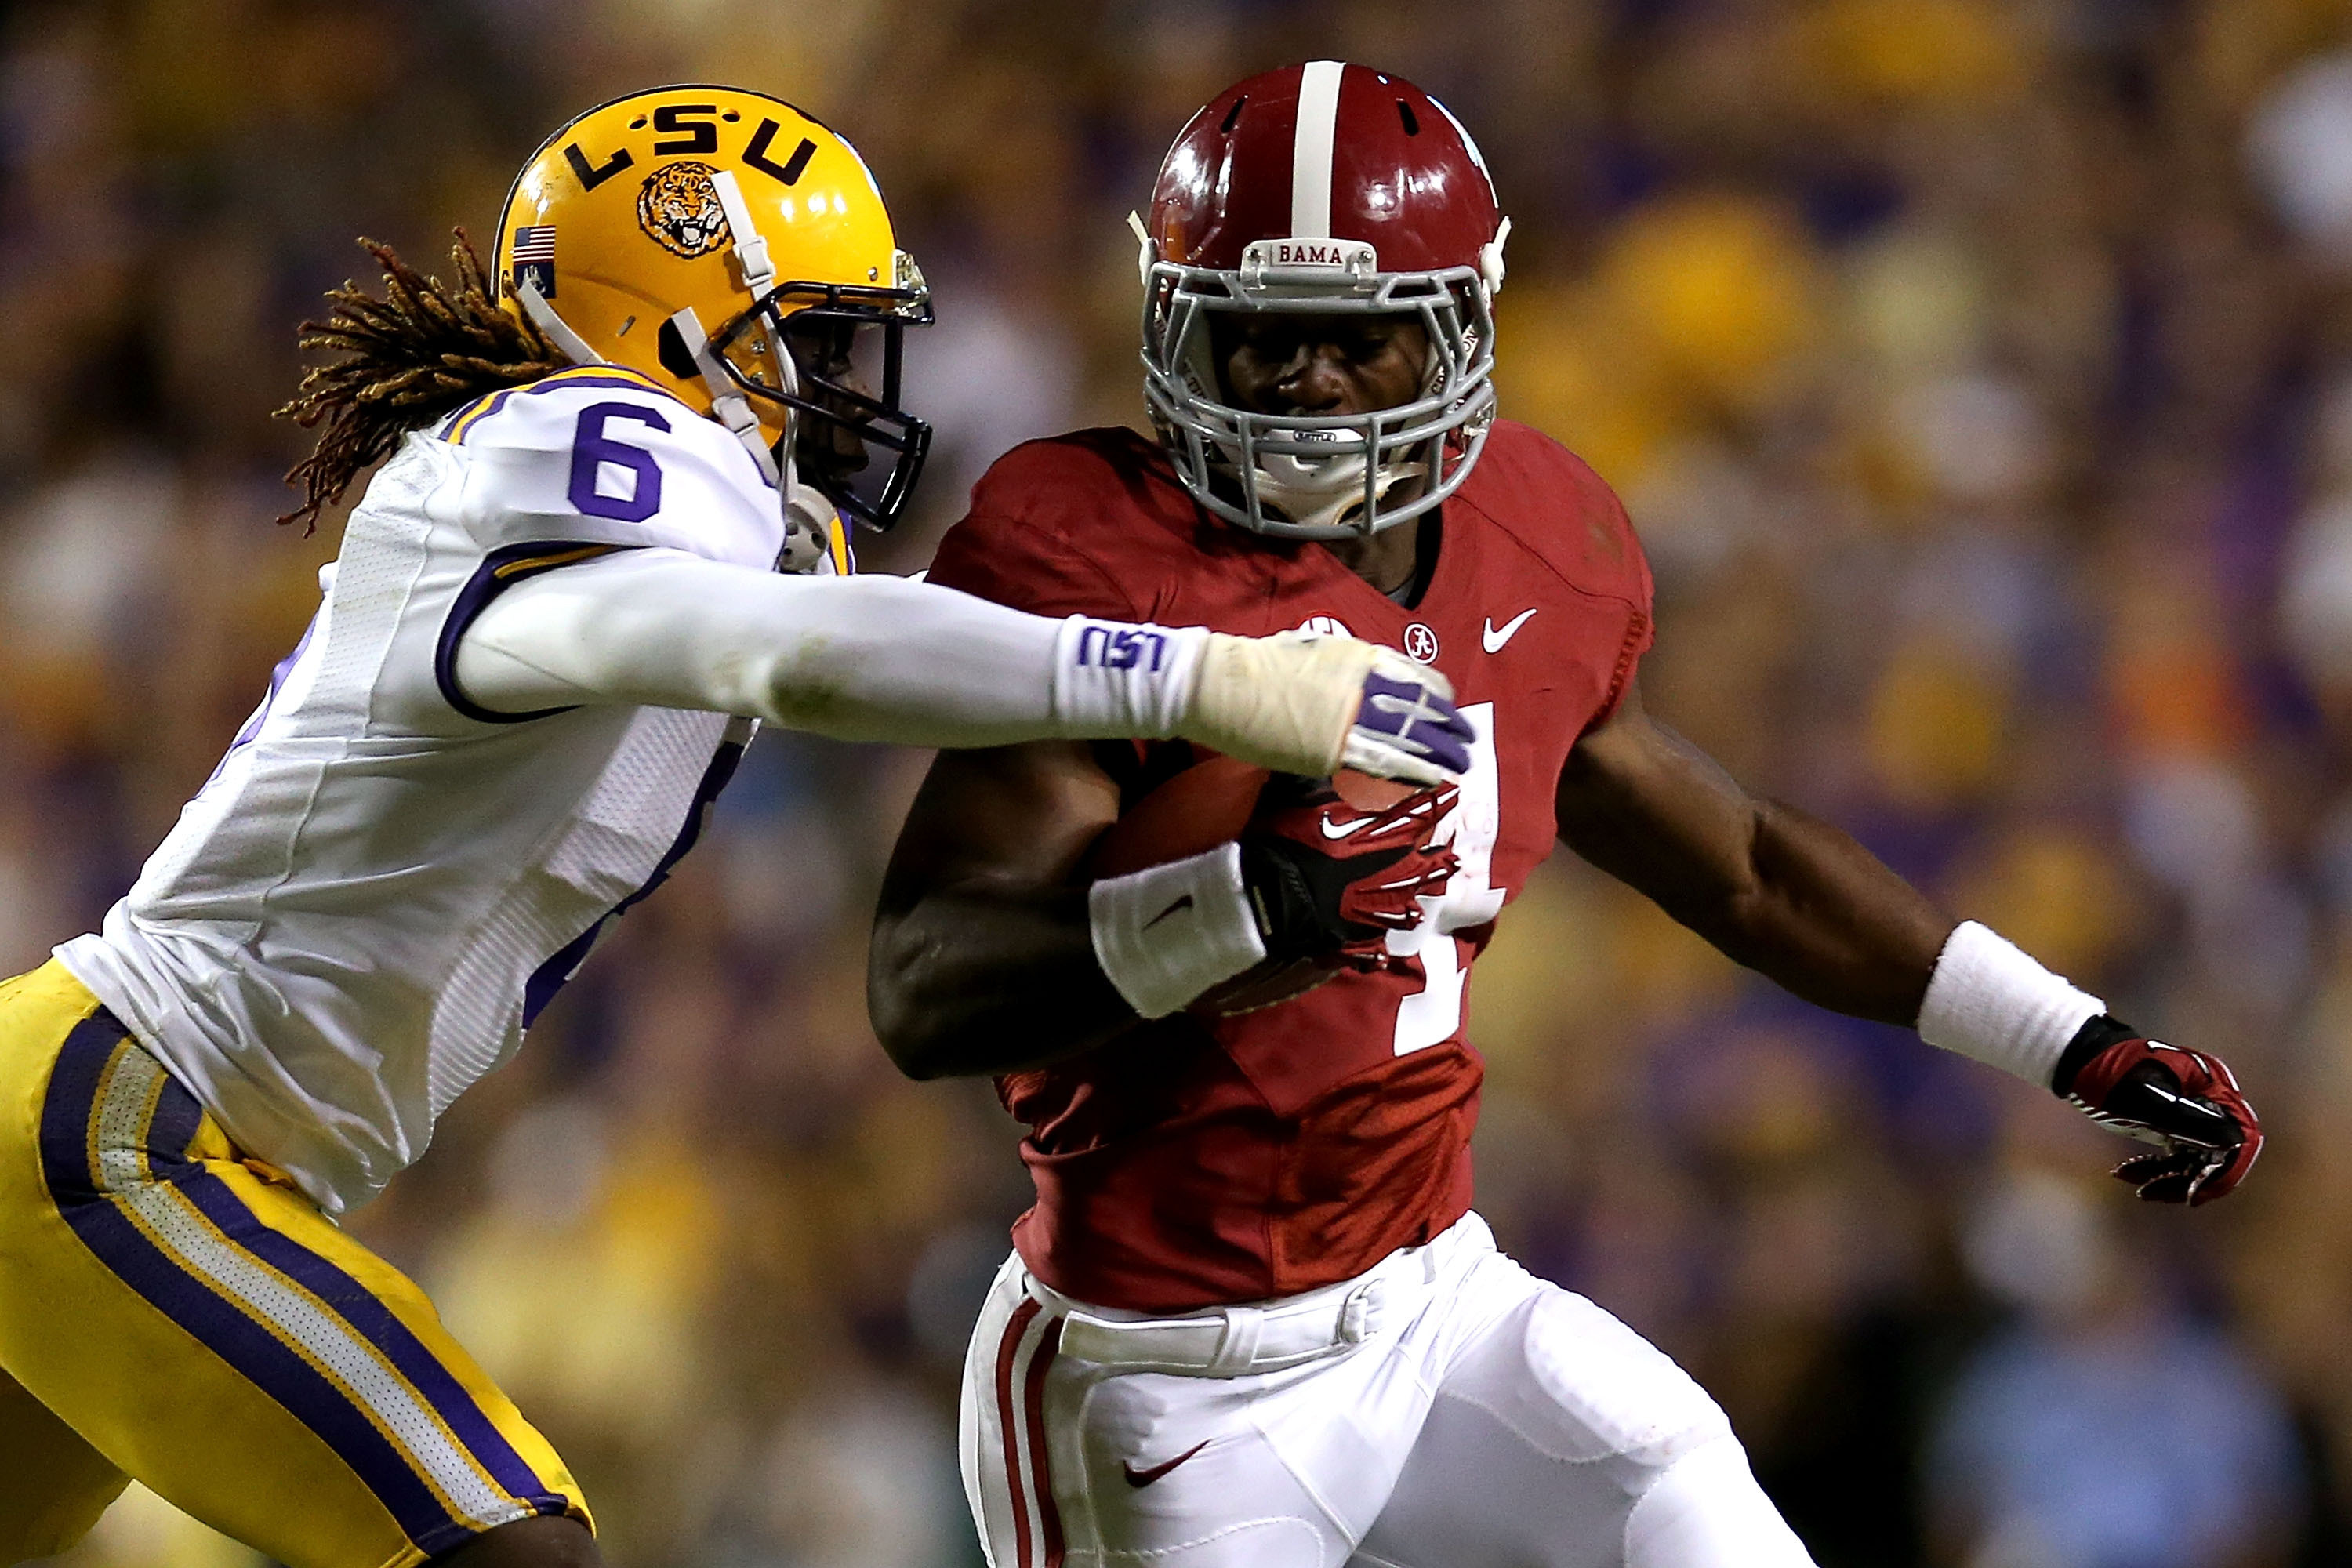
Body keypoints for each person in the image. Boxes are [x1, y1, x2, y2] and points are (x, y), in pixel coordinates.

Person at [0, 84, 1471, 1568]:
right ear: (668, 322)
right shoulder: (595, 449)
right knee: (507, 1547)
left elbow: (812, 642)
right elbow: (791, 650)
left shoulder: (655, 518)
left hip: (145, 1131)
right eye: (814, 341)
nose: (846, 385)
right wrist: (1217, 678)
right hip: (118, 1129)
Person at [866, 61, 2266, 1568]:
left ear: (1462, 329)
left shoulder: (1537, 538)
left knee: (1701, 1512)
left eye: (1362, 338)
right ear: (1174, 321)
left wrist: (2069, 1039)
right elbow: (926, 985)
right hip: (1152, 1382)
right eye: (1261, 331)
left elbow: (1741, 867)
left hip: (1432, 1308)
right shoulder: (1095, 554)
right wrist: (1228, 910)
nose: (1306, 383)